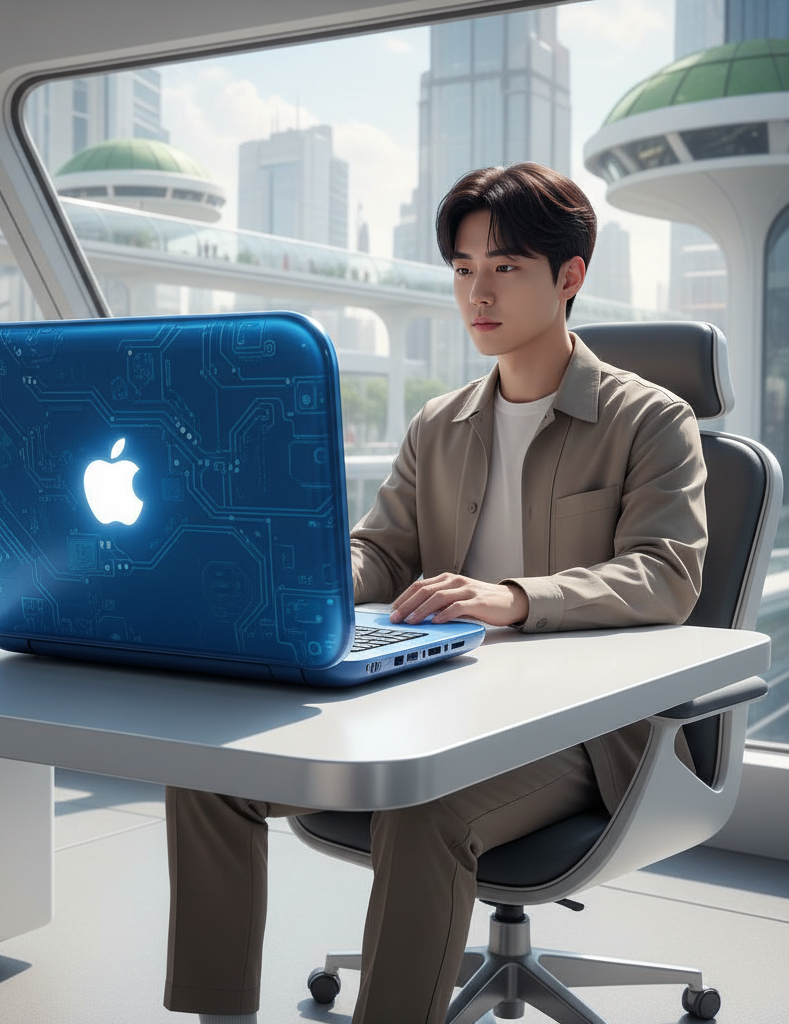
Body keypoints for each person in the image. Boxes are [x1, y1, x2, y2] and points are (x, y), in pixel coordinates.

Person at [163, 163, 707, 1024]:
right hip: (436, 703)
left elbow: (667, 573)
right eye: (462, 269)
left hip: (579, 730)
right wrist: (301, 582)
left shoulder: (651, 420)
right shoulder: (439, 423)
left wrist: (513, 598)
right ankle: (215, 1013)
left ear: (569, 277)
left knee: (425, 813)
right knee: (204, 773)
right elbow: (380, 551)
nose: (477, 293)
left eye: (505, 267)